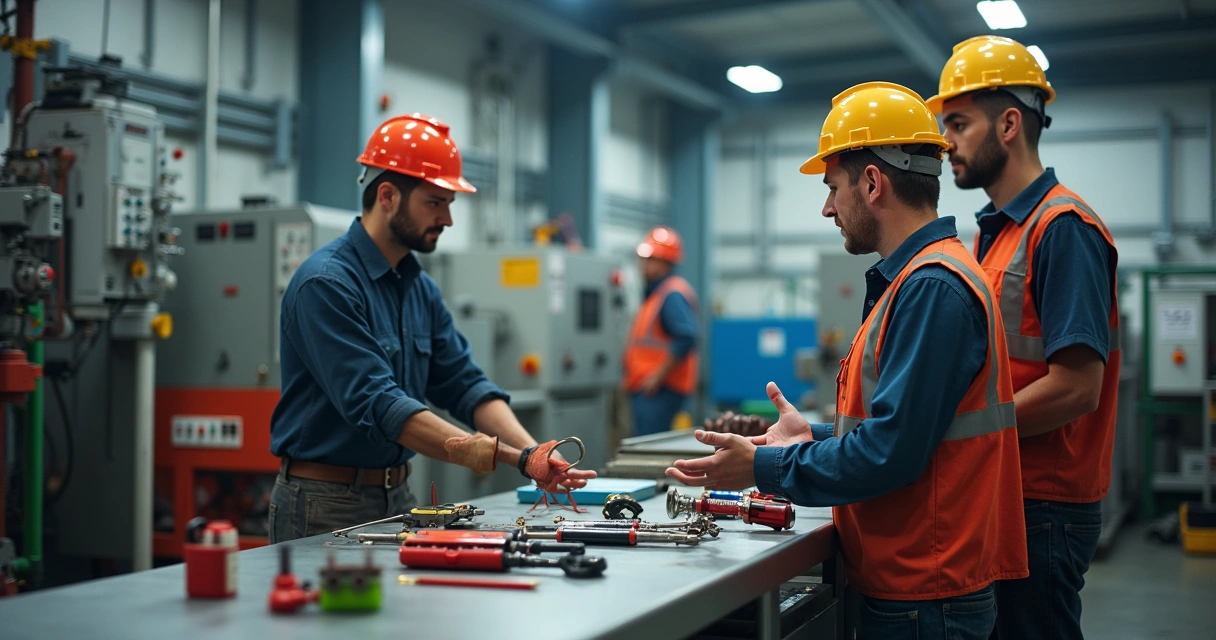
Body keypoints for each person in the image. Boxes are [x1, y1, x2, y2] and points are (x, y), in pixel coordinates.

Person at [664, 82, 1027, 640]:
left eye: (834, 187)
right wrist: (808, 435)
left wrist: (762, 468)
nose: (829, 207)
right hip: (916, 582)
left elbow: (889, 455)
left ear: (874, 183)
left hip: (927, 594)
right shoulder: (919, 279)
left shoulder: (933, 287)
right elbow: (907, 428)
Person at [268, 113, 594, 542]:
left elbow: (464, 384)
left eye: (449, 204)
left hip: (399, 494)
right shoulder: (326, 284)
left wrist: (534, 451)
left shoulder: (418, 287)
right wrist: (511, 457)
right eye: (435, 203)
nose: (448, 219)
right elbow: (381, 404)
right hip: (324, 502)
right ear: (387, 196)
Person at [926, 36, 1122, 640]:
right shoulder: (995, 235)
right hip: (1010, 489)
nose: (946, 142)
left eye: (958, 124)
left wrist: (957, 433)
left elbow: (1076, 389)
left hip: (1047, 504)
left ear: (1010, 123)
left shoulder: (1062, 228)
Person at [622, 226, 700, 436]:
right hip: (649, 389)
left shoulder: (671, 294)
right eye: (643, 258)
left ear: (666, 262)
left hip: (659, 390)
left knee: (650, 450)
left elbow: (686, 338)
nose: (643, 264)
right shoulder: (657, 294)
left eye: (650, 259)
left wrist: (657, 377)